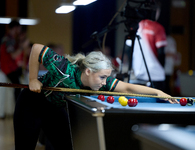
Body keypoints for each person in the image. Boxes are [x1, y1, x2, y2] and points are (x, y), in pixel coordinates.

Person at [13, 43, 178, 150]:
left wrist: (158, 92)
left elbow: (127, 87)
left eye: (106, 77)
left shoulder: (98, 80)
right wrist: (33, 79)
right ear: (88, 71)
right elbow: (36, 49)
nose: (104, 82)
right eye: (102, 77)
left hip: (55, 108)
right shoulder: (63, 67)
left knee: (69, 146)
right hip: (31, 103)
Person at [131, 2, 167, 91]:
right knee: (159, 104)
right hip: (156, 74)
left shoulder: (136, 26)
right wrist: (162, 69)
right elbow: (161, 52)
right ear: (157, 11)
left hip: (138, 74)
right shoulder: (158, 28)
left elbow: (129, 49)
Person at [0, 20, 23, 102]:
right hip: (8, 68)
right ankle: (18, 107)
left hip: (9, 67)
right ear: (15, 28)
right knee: (18, 87)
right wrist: (22, 47)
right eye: (19, 29)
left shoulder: (10, 39)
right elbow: (13, 55)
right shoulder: (9, 39)